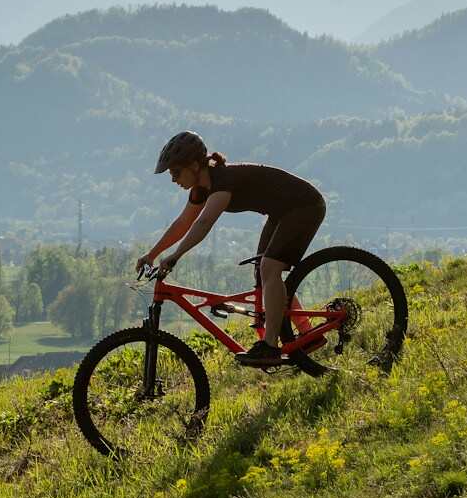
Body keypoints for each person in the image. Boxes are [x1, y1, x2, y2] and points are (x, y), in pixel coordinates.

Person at [134, 131, 326, 368]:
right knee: (263, 272)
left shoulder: (222, 181)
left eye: (175, 172)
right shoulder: (202, 188)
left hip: (304, 206)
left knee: (269, 267)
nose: (173, 179)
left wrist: (175, 256)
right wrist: (151, 255)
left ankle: (270, 346)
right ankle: (307, 335)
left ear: (194, 166)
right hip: (282, 212)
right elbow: (183, 223)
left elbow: (203, 223)